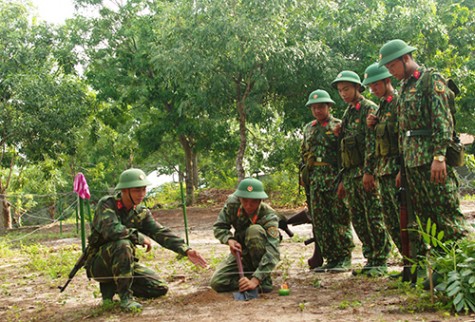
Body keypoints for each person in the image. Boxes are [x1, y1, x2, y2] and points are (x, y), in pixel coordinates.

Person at [378, 40, 467, 269]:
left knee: (446, 218)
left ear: (405, 59)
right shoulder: (404, 87)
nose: (391, 72)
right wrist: (402, 168)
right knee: (427, 221)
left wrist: (439, 156)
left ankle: (464, 272)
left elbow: (442, 121)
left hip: (432, 162)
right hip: (412, 165)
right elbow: (402, 133)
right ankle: (443, 271)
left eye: (392, 66)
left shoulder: (431, 80)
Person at [84, 168, 207, 311]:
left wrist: (186, 249)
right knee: (123, 244)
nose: (141, 194)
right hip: (99, 265)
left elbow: (159, 232)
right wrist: (139, 237)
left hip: (123, 265)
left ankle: (115, 286)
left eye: (144, 189)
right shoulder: (107, 205)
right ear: (124, 191)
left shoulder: (141, 212)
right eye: (137, 190)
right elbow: (112, 230)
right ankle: (125, 298)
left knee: (159, 288)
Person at [332, 70, 391, 276]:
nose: (343, 94)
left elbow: (372, 144)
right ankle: (370, 258)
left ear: (358, 87)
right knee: (358, 218)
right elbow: (345, 150)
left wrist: (369, 172)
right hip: (350, 174)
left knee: (373, 216)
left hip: (365, 173)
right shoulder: (348, 113)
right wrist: (342, 179)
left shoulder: (368, 108)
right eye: (340, 91)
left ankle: (380, 259)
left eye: (346, 89)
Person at [301, 89, 354, 273]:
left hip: (334, 178)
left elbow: (345, 155)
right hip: (315, 181)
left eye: (321, 107)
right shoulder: (309, 128)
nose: (317, 110)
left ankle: (344, 257)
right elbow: (304, 154)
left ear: (329, 107)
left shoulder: (339, 126)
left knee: (339, 219)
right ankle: (331, 258)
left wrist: (343, 181)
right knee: (321, 221)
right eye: (314, 107)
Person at [210, 177, 280, 294]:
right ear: (239, 198)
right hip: (241, 250)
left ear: (260, 201)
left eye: (253, 201)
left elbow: (273, 251)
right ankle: (247, 277)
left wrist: (255, 280)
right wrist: (229, 240)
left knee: (254, 230)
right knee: (217, 282)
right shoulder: (233, 205)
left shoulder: (269, 216)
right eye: (245, 200)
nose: (248, 205)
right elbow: (219, 226)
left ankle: (263, 280)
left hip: (261, 250)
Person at [363, 63, 403, 257]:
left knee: (404, 218)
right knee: (391, 221)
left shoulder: (398, 102)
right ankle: (408, 262)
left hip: (396, 170)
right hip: (383, 171)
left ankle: (417, 264)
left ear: (387, 81)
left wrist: (402, 170)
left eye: (376, 85)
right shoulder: (381, 107)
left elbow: (404, 138)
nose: (373, 90)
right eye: (371, 87)